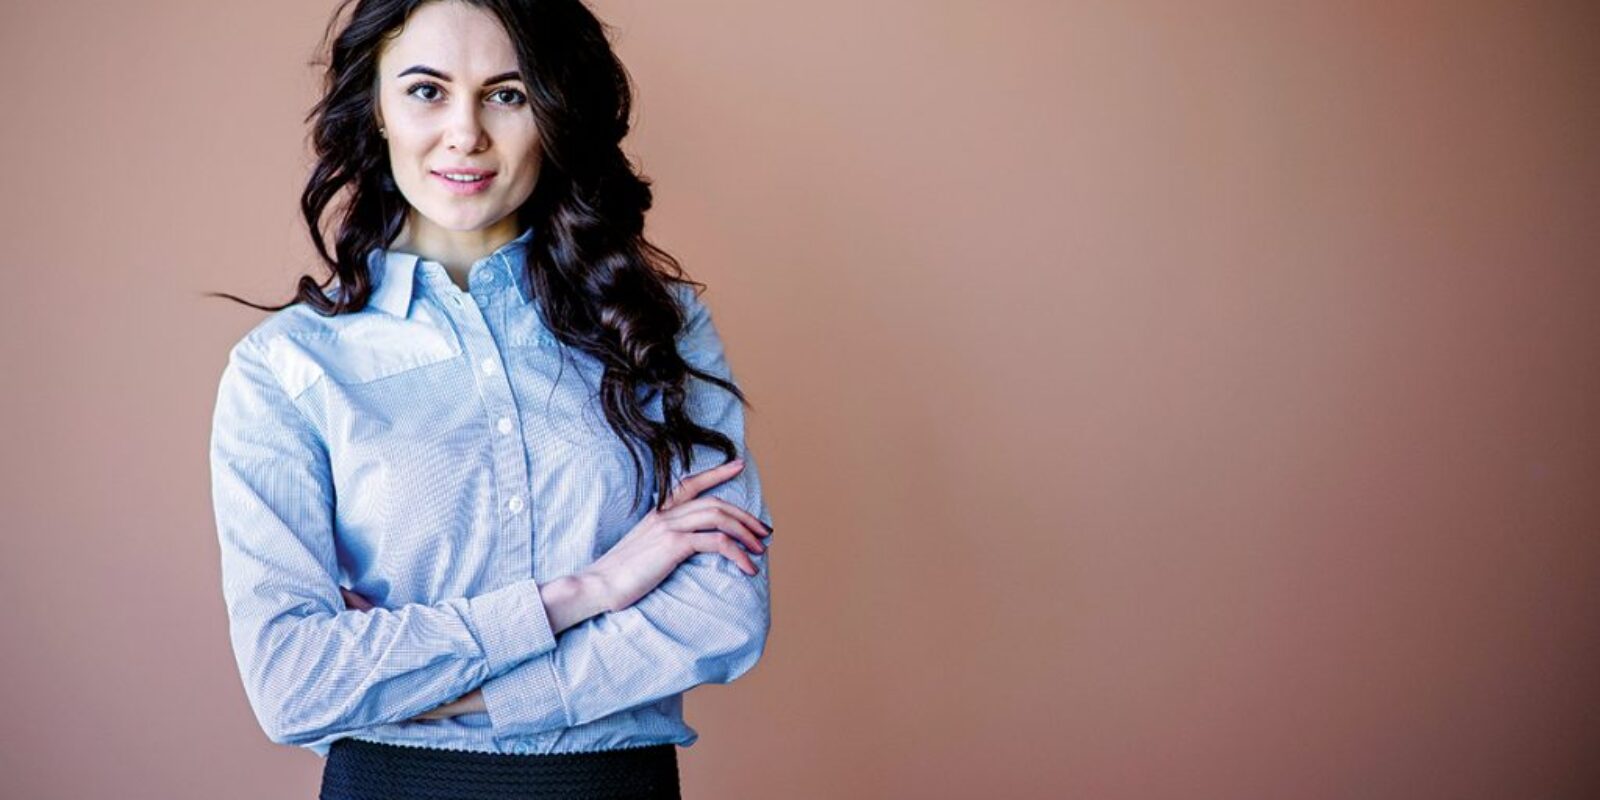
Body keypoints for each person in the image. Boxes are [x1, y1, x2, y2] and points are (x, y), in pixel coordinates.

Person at [205, 0, 774, 797]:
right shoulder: (287, 368)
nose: (466, 134)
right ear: (374, 109)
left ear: (553, 112)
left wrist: (459, 691)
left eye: (506, 94)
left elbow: (721, 616)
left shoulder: (661, 329)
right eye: (426, 91)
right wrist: (584, 593)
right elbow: (295, 684)